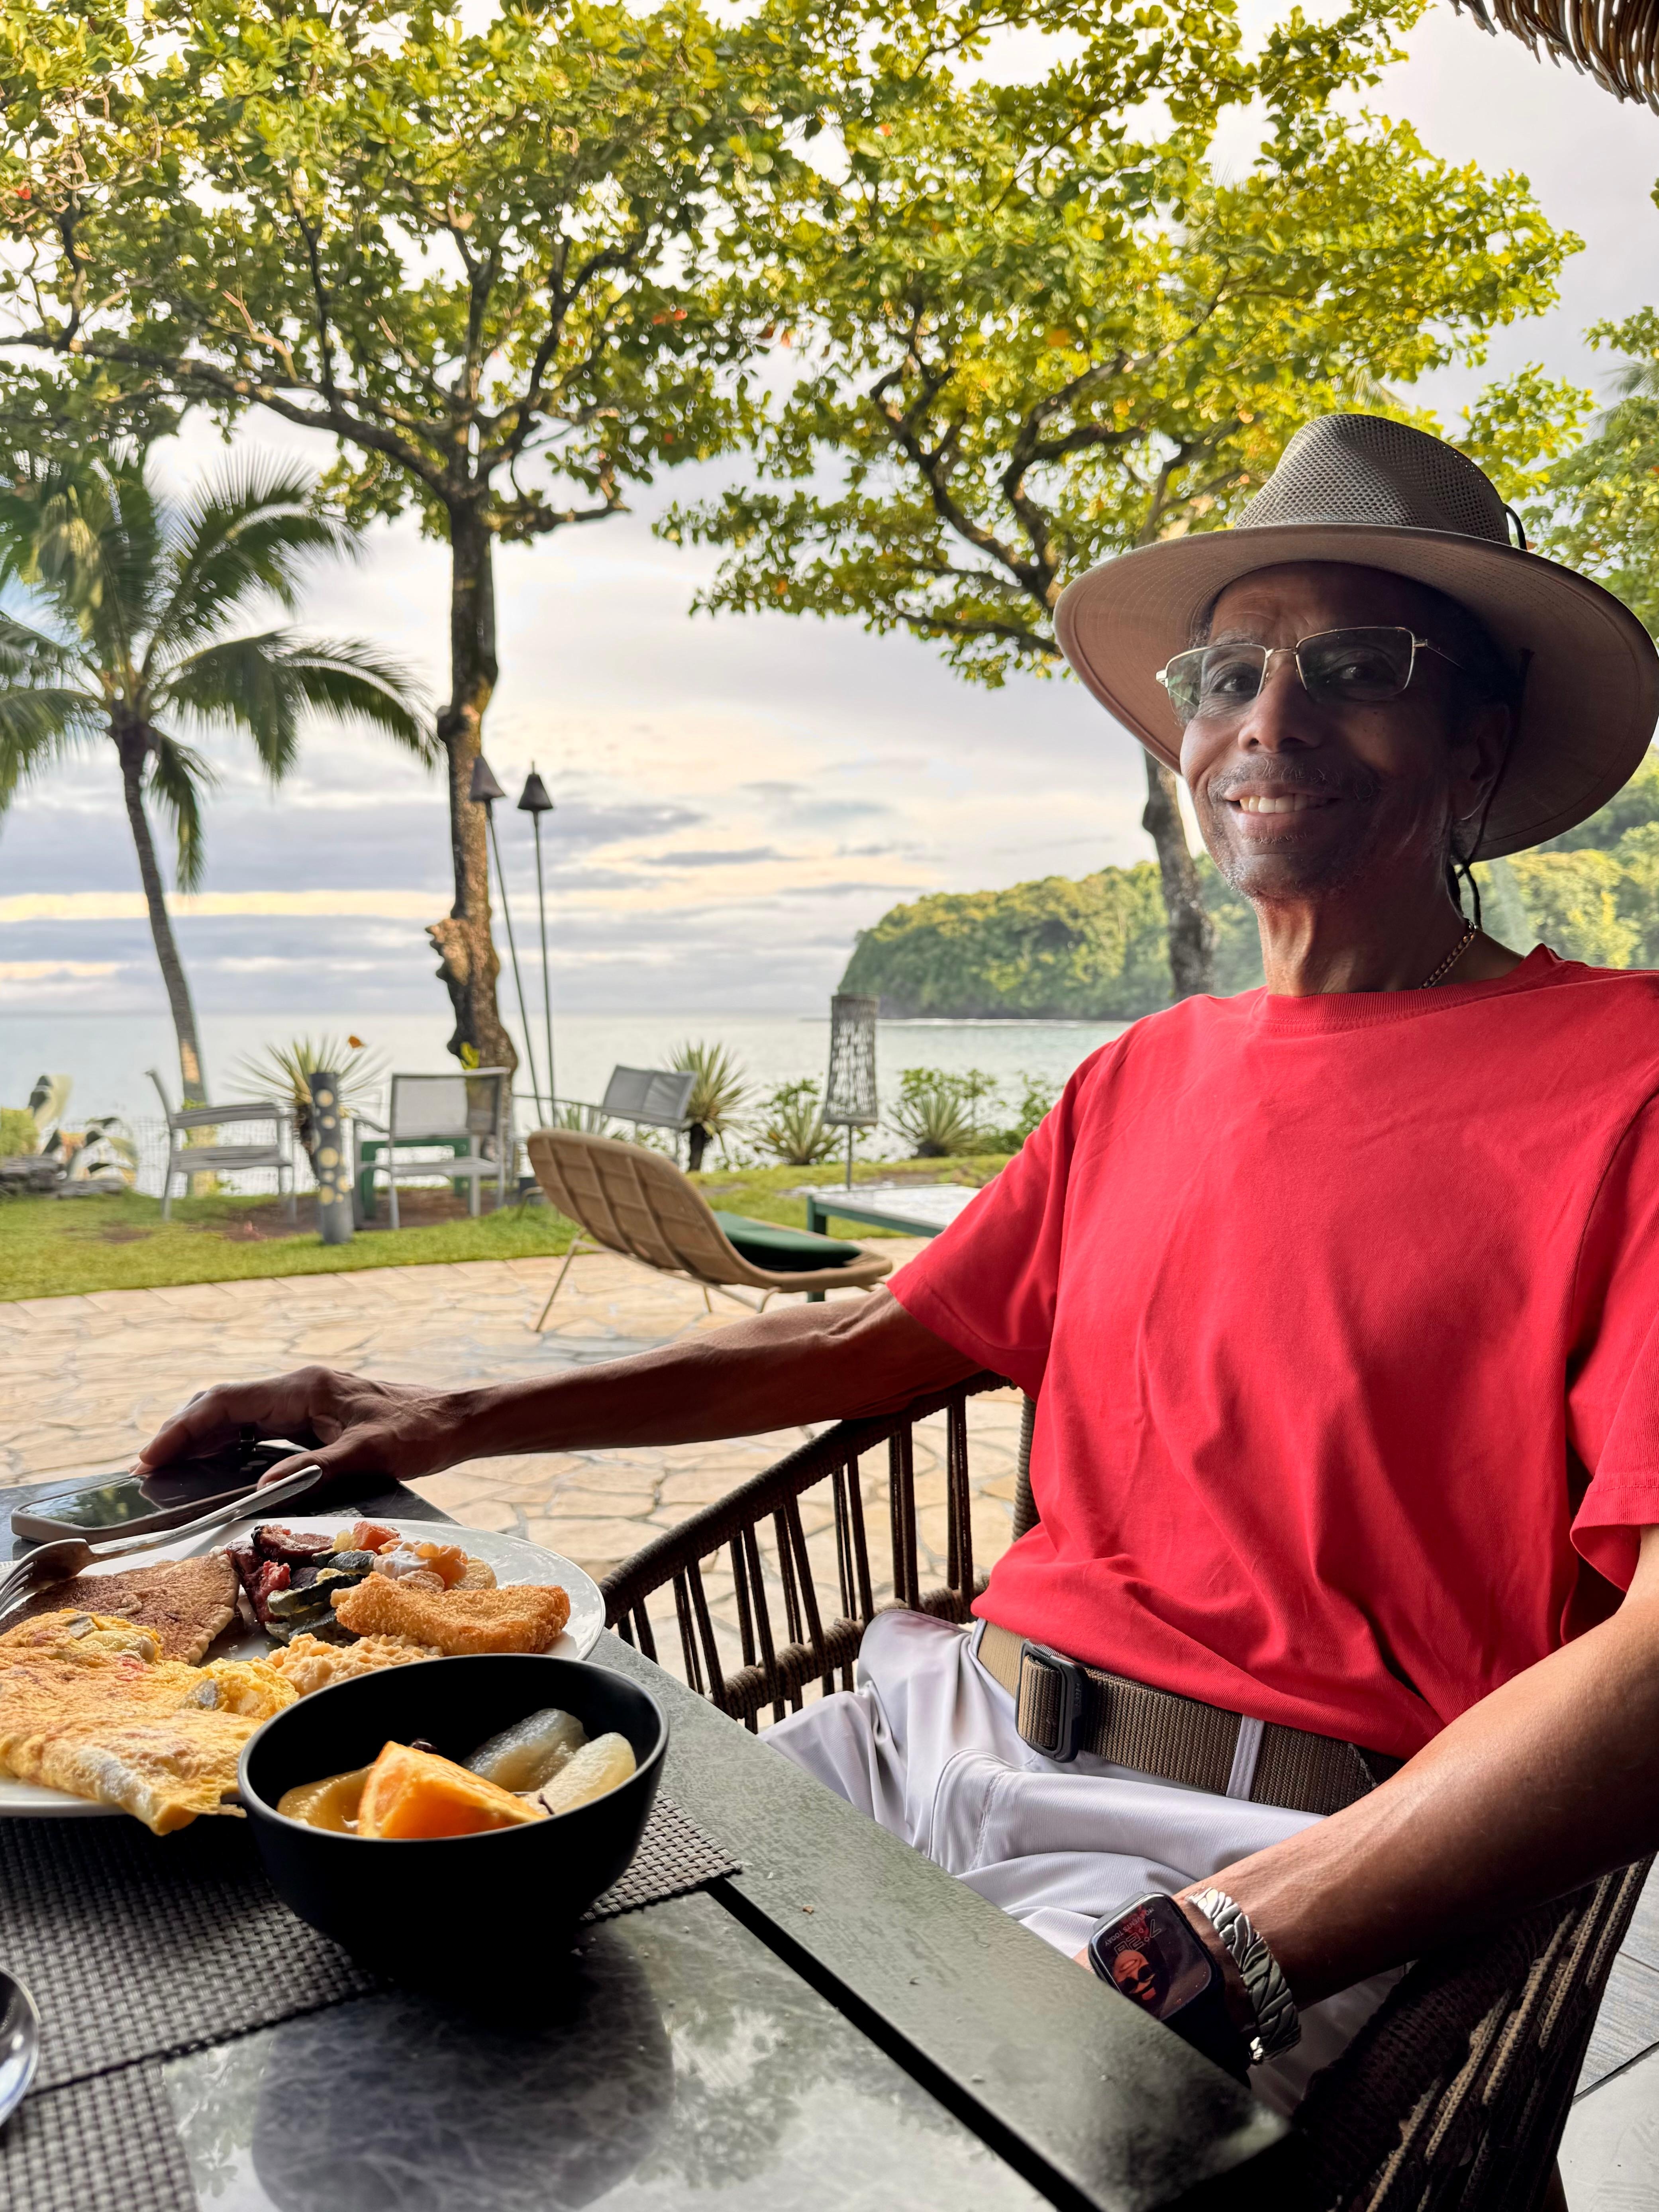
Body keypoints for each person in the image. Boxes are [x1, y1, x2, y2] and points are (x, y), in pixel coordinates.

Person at [137, 415, 1659, 2112]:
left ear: (1477, 741)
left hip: (1256, 1846)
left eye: (1359, 667)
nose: (1270, 719)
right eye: (1227, 673)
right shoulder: (1142, 1077)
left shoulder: (1625, 1082)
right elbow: (870, 1337)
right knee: (406, 1971)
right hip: (924, 1737)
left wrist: (1228, 1938)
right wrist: (443, 1413)